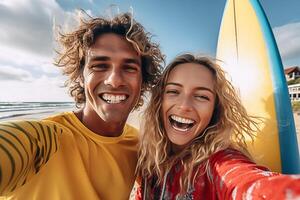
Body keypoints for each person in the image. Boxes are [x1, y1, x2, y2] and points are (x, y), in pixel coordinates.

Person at [0, 12, 164, 199]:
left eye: (129, 68)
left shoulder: (139, 146)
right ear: (80, 75)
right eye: (99, 66)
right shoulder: (45, 139)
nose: (115, 80)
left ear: (143, 80)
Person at [136, 53, 300, 200]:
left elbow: (251, 185)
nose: (184, 105)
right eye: (173, 91)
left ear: (215, 109)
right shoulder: (149, 158)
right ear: (159, 101)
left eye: (201, 96)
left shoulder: (217, 164)